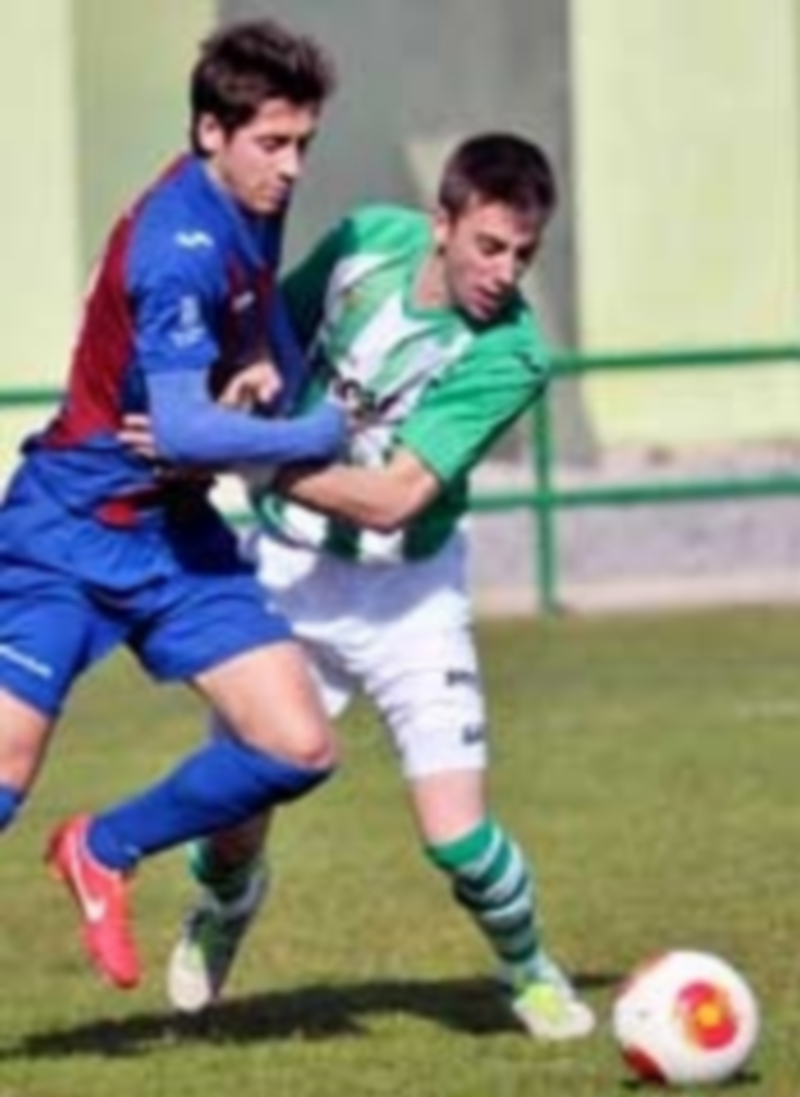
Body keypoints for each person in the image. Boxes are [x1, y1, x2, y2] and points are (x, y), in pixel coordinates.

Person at [156, 132, 597, 1040]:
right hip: (287, 577)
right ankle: (226, 906)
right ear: (440, 223)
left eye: (524, 254)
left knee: (457, 839)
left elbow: (395, 498)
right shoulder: (366, 241)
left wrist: (254, 461)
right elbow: (272, 327)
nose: (504, 271)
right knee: (236, 812)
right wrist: (228, 394)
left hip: (409, 599)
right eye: (488, 245)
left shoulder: (510, 355)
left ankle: (529, 967)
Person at [0, 17, 348, 992]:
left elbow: (260, 327)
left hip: (174, 535)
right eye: (270, 144)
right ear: (209, 132)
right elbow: (190, 433)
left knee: (297, 742)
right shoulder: (176, 245)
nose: (289, 169)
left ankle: (103, 847)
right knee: (3, 776)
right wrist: (312, 434)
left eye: (301, 145)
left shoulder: (251, 202)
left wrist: (267, 383)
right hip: (67, 533)